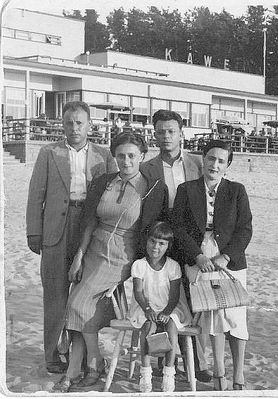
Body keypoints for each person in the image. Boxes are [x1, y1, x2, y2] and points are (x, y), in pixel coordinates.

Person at [53, 132, 168, 392]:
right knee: (80, 307)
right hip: (93, 249)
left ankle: (90, 367)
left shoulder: (152, 187)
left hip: (123, 255)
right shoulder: (104, 181)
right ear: (113, 156)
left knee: (77, 303)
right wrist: (78, 258)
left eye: (131, 156)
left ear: (142, 156)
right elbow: (89, 222)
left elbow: (154, 231)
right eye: (120, 156)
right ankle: (85, 368)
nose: (125, 161)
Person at [26, 101, 118, 374]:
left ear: (90, 125)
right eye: (69, 123)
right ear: (62, 125)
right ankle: (52, 354)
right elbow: (35, 197)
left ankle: (78, 354)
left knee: (82, 294)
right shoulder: (48, 153)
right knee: (55, 295)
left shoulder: (104, 156)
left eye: (80, 123)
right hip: (55, 229)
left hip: (90, 227)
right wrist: (34, 231)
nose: (74, 128)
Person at [172, 139, 252, 390]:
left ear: (227, 165)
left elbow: (245, 229)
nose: (214, 165)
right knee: (212, 315)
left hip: (230, 259)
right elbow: (179, 228)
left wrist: (225, 256)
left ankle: (238, 376)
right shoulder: (187, 189)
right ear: (203, 160)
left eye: (220, 161)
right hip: (198, 257)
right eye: (210, 159)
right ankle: (219, 373)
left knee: (235, 315)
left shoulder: (236, 190)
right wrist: (198, 256)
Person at [140, 109, 211, 382]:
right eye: (160, 131)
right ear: (154, 134)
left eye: (171, 131)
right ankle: (162, 359)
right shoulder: (147, 168)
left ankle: (199, 362)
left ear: (181, 133)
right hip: (161, 240)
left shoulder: (196, 163)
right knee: (162, 299)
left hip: (191, 241)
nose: (166, 136)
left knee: (194, 303)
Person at [128, 221, 192, 393]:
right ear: (146, 241)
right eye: (152, 241)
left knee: (171, 326)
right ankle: (146, 372)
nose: (156, 247)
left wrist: (166, 312)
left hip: (169, 308)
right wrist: (148, 309)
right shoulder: (139, 265)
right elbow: (138, 292)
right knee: (148, 327)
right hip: (145, 307)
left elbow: (174, 296)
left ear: (168, 246)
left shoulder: (173, 266)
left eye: (161, 243)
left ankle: (168, 372)